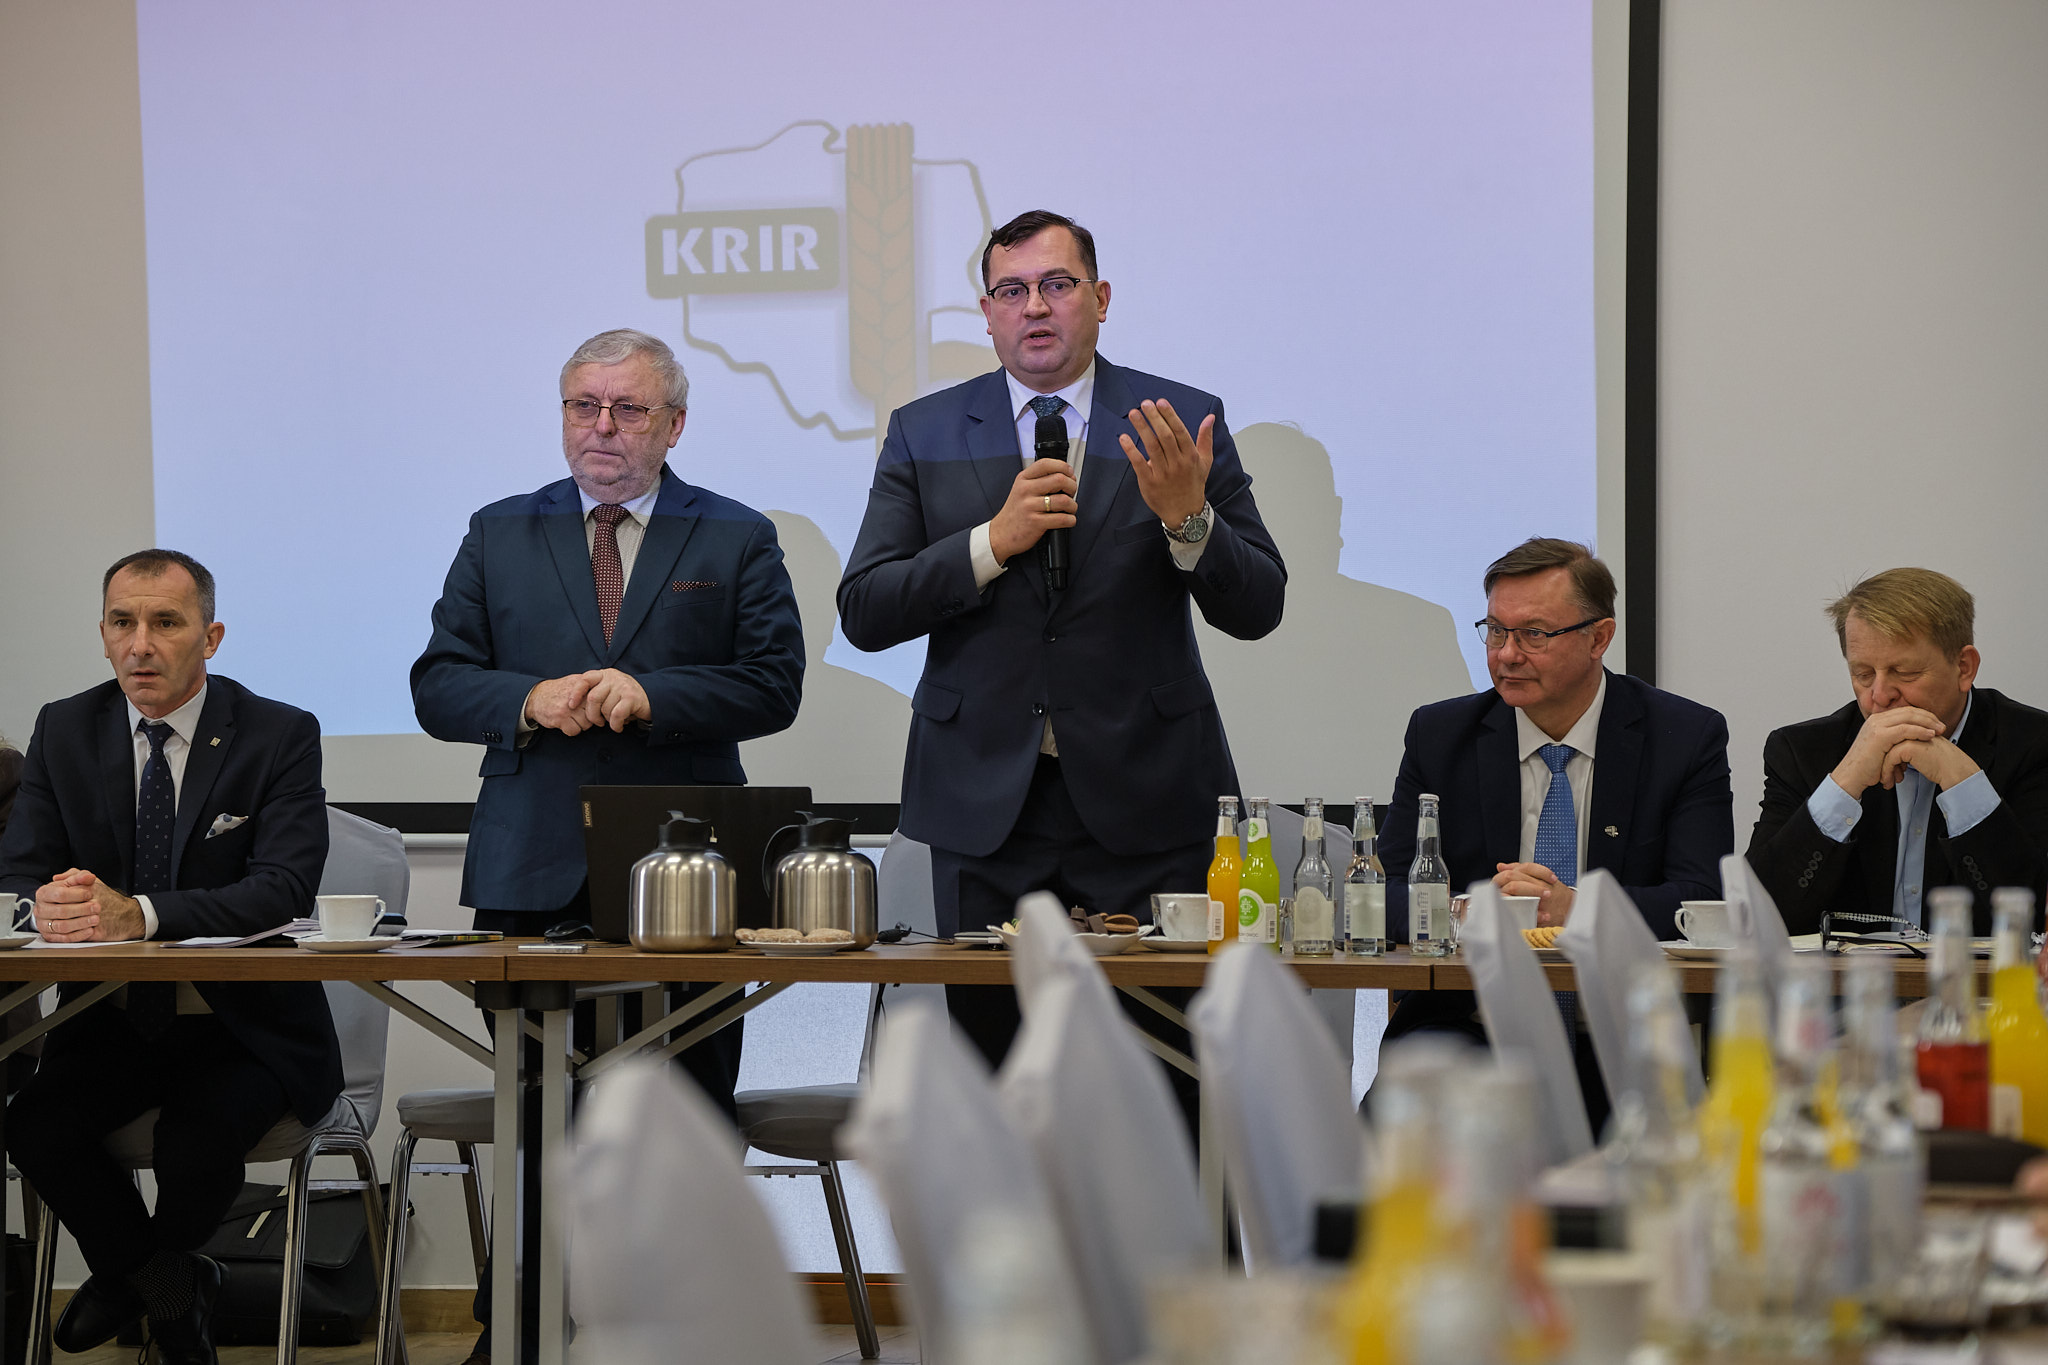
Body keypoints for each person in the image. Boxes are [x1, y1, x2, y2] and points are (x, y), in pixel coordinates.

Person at [411, 327, 803, 1364]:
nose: (603, 427)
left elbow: (775, 686)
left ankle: (694, 1337)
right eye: (583, 406)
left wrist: (655, 694)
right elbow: (438, 683)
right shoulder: (499, 530)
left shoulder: (735, 535)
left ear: (674, 425)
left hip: (690, 871)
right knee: (541, 1121)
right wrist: (527, 699)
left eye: (628, 409)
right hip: (530, 865)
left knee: (689, 1119)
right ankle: (522, 1336)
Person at [837, 210, 1286, 1068]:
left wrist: (1189, 521)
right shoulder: (925, 430)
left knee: (1167, 1078)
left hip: (1148, 794)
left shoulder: (1179, 420)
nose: (1034, 307)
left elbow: (1258, 604)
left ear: (1100, 298)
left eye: (1056, 285)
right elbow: (865, 608)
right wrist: (989, 543)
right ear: (987, 312)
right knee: (999, 1082)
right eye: (1011, 291)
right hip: (984, 805)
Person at [0, 550, 337, 1365]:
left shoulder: (278, 732)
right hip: (108, 1019)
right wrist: (44, 905)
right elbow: (18, 872)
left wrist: (141, 914)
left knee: (196, 1141)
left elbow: (284, 888)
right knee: (34, 1123)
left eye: (165, 622)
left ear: (210, 637)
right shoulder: (65, 727)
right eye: (122, 622)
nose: (140, 643)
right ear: (103, 633)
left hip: (243, 1029)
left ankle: (133, 1283)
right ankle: (170, 1283)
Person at [1375, 539, 1733, 1120]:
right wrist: (1468, 911)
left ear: (1599, 638)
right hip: (1471, 1029)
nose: (1506, 655)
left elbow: (1702, 898)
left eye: (1534, 635)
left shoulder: (1684, 738)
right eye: (1496, 631)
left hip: (1625, 1036)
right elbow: (1381, 893)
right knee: (1400, 1140)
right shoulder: (1440, 736)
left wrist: (1579, 910)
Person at [1748, 568, 2048, 935]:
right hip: (1849, 974)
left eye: (1903, 672)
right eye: (1863, 674)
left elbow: (2034, 916)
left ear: (1963, 667)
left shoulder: (2035, 745)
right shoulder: (1800, 752)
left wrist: (1962, 782)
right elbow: (1757, 919)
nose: (1879, 696)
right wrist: (1844, 784)